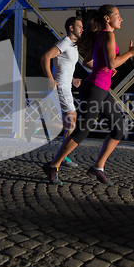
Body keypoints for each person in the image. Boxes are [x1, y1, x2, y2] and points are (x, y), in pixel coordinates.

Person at [42, 4, 134, 186]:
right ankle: (53, 166)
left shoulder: (101, 36)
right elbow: (112, 63)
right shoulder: (108, 35)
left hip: (101, 88)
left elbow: (89, 61)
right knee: (81, 132)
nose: (121, 18)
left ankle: (98, 167)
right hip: (94, 88)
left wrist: (104, 69)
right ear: (107, 19)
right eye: (117, 15)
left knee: (119, 128)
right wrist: (129, 54)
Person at [39, 16, 84, 167]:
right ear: (71, 28)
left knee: (69, 121)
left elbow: (64, 64)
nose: (82, 29)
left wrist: (73, 80)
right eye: (79, 26)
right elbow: (45, 57)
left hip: (67, 85)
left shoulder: (73, 46)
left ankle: (63, 154)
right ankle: (63, 156)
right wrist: (50, 79)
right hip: (60, 86)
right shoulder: (65, 42)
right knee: (72, 120)